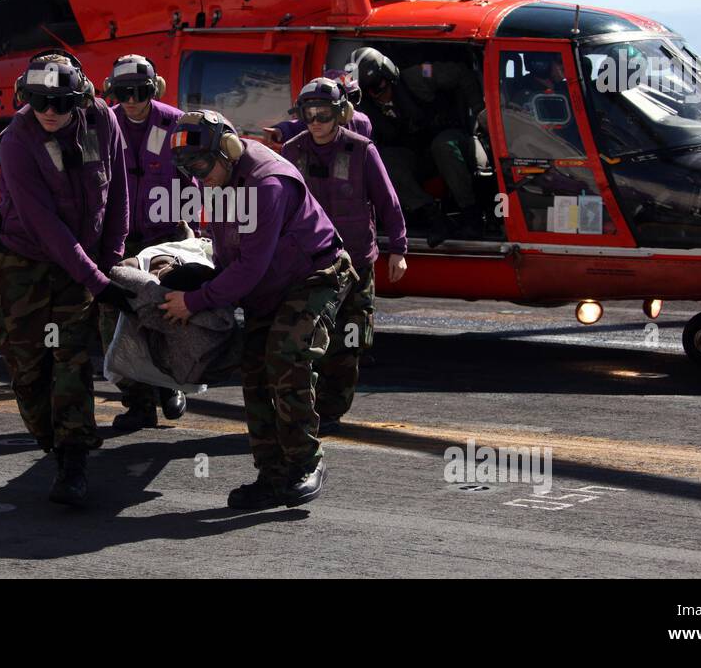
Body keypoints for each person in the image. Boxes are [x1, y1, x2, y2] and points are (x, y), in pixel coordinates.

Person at [159, 111, 356, 510]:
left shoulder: (267, 183)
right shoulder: (216, 182)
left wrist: (194, 301)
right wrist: (196, 275)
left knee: (286, 356)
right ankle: (272, 475)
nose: (198, 176)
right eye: (188, 169)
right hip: (269, 284)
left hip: (314, 275)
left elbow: (250, 267)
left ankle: (306, 462)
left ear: (227, 150)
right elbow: (226, 250)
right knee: (254, 370)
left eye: (201, 164)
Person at [0, 50, 132, 507]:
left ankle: (73, 460)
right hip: (24, 264)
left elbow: (118, 195)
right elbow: (44, 225)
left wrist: (109, 264)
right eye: (38, 101)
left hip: (82, 261)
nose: (49, 111)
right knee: (28, 366)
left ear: (80, 98)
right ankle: (52, 441)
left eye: (60, 103)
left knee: (70, 359)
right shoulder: (16, 141)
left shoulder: (101, 121)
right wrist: (99, 282)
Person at [279, 78, 408, 434]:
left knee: (349, 340)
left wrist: (398, 248)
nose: (316, 121)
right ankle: (307, 405)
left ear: (340, 114)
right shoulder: (293, 151)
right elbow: (275, 205)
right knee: (304, 339)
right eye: (309, 114)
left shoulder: (362, 151)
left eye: (324, 114)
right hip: (310, 264)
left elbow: (388, 201)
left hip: (356, 265)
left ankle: (333, 409)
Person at [98, 54, 192, 431]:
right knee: (114, 324)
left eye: (140, 92)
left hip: (164, 240)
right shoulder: (105, 124)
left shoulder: (176, 123)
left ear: (154, 90)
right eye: (124, 93)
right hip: (119, 244)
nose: (132, 100)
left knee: (166, 317)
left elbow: (195, 182)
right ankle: (137, 402)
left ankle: (170, 388)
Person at [350, 47, 480, 247]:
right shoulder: (366, 109)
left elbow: (461, 73)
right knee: (382, 159)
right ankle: (433, 216)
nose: (375, 94)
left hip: (452, 141)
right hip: (417, 155)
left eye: (378, 86)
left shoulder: (420, 74)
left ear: (389, 75)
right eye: (368, 91)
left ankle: (471, 214)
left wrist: (481, 112)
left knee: (443, 146)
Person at [264, 69, 372, 145]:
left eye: (353, 98)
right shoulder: (316, 120)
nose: (349, 105)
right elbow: (296, 126)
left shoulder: (363, 123)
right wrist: (280, 131)